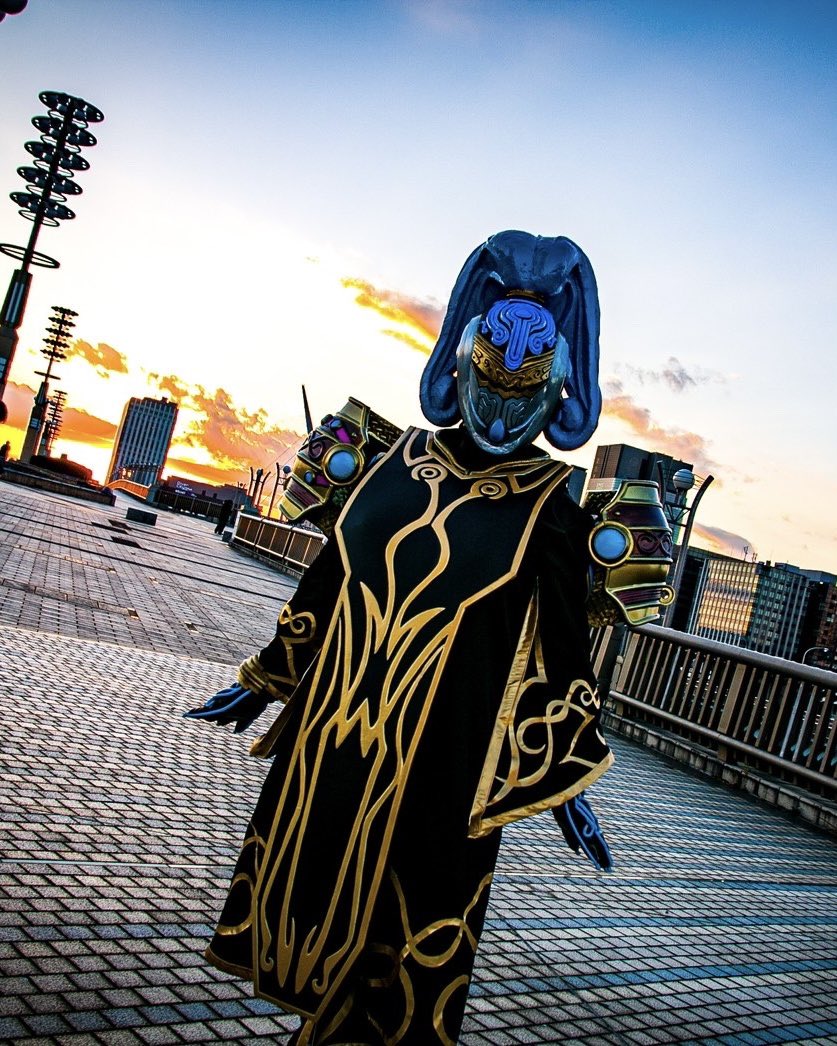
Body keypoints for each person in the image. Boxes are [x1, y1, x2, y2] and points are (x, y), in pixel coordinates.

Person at [186, 232, 622, 1045]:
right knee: (312, 897)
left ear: (553, 392)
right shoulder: (394, 460)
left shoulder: (550, 506)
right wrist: (266, 675)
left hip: (448, 757)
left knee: (406, 934)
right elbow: (330, 576)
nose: (501, 407)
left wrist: (567, 772)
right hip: (337, 730)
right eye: (491, 379)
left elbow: (564, 649)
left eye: (522, 388)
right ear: (462, 366)